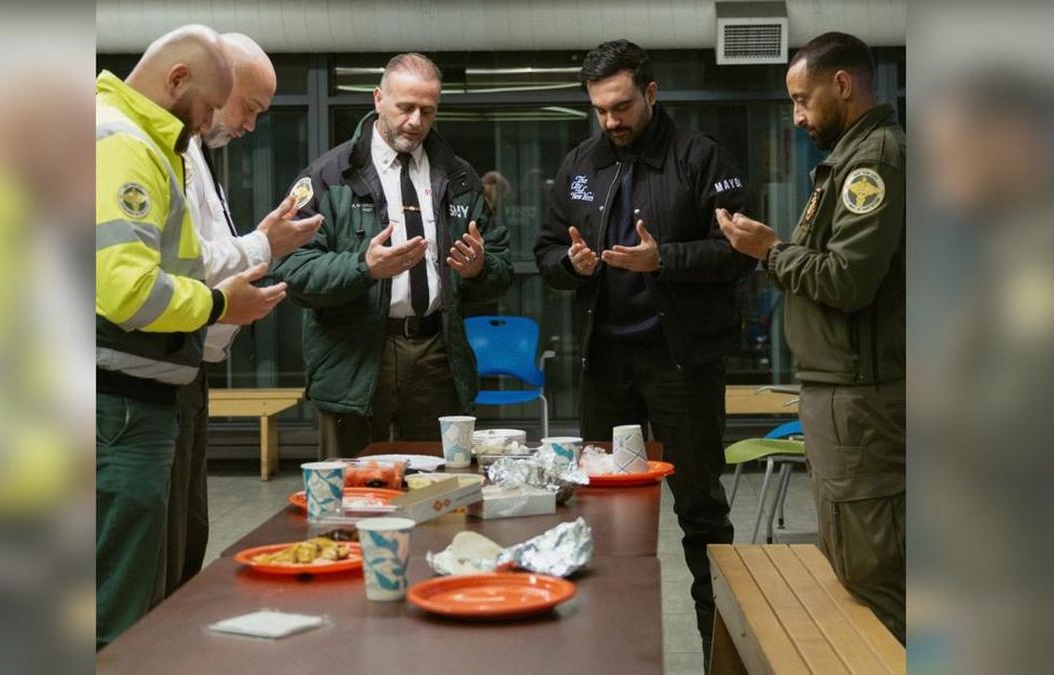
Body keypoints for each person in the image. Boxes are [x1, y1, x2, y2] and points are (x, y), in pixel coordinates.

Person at [533, 39, 756, 662]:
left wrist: (666, 259)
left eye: (622, 106)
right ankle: (612, 658)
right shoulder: (580, 164)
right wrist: (572, 264)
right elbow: (545, 251)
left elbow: (741, 252)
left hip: (682, 364)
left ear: (651, 93)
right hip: (605, 365)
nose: (611, 120)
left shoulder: (702, 158)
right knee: (605, 520)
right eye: (600, 109)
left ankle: (722, 660)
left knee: (702, 514)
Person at [95, 24, 287, 649]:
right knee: (123, 608)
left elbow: (174, 261)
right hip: (121, 401)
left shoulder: (150, 143)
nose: (209, 124)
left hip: (141, 393)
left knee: (146, 587)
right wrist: (220, 303)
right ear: (177, 79)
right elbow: (128, 291)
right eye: (210, 106)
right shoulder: (121, 142)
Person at [717, 31, 906, 641]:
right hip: (841, 391)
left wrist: (770, 251)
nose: (797, 117)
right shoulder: (848, 159)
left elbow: (848, 280)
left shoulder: (873, 162)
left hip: (861, 395)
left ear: (842, 85)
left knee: (874, 571)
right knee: (854, 559)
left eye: (802, 100)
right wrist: (775, 250)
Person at [273, 53, 512, 458]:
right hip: (357, 355)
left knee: (442, 482)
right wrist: (363, 268)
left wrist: (479, 268)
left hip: (437, 354)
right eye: (405, 107)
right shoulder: (328, 176)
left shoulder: (458, 176)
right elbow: (291, 269)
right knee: (354, 485)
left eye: (427, 111)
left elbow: (501, 266)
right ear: (378, 99)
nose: (415, 121)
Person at [166, 33, 324, 598]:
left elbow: (205, 256)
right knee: (157, 552)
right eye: (248, 108)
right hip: (155, 371)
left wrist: (257, 254)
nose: (251, 126)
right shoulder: (161, 149)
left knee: (185, 541)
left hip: (189, 367)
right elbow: (181, 266)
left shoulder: (197, 152)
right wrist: (263, 245)